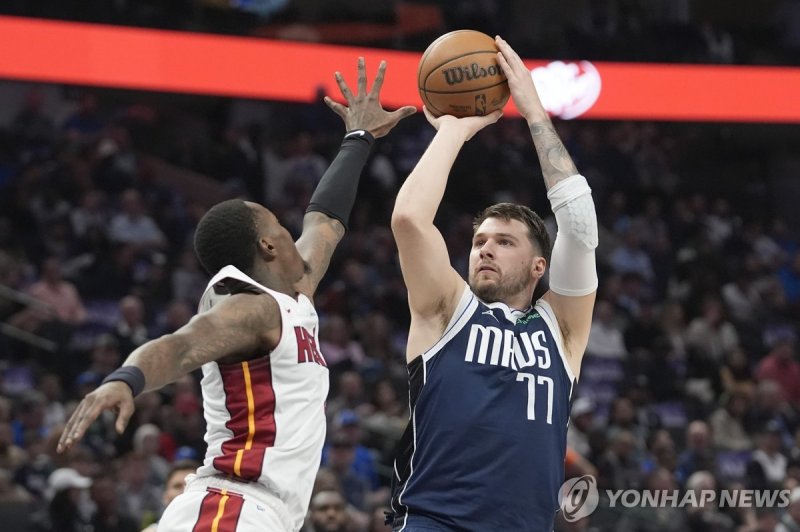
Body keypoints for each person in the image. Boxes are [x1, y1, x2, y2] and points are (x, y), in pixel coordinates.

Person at [57, 57, 415, 532]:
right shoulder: (250, 307)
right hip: (232, 506)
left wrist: (359, 137)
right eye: (279, 223)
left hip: (259, 511)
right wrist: (125, 379)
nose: (293, 228)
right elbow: (181, 344)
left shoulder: (294, 292)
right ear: (269, 245)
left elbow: (326, 222)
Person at [388, 36, 598, 531]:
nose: (484, 248)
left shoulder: (563, 330)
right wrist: (454, 131)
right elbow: (410, 220)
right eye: (480, 239)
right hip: (433, 522)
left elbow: (581, 228)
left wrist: (534, 114)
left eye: (504, 242)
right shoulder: (446, 308)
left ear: (538, 268)